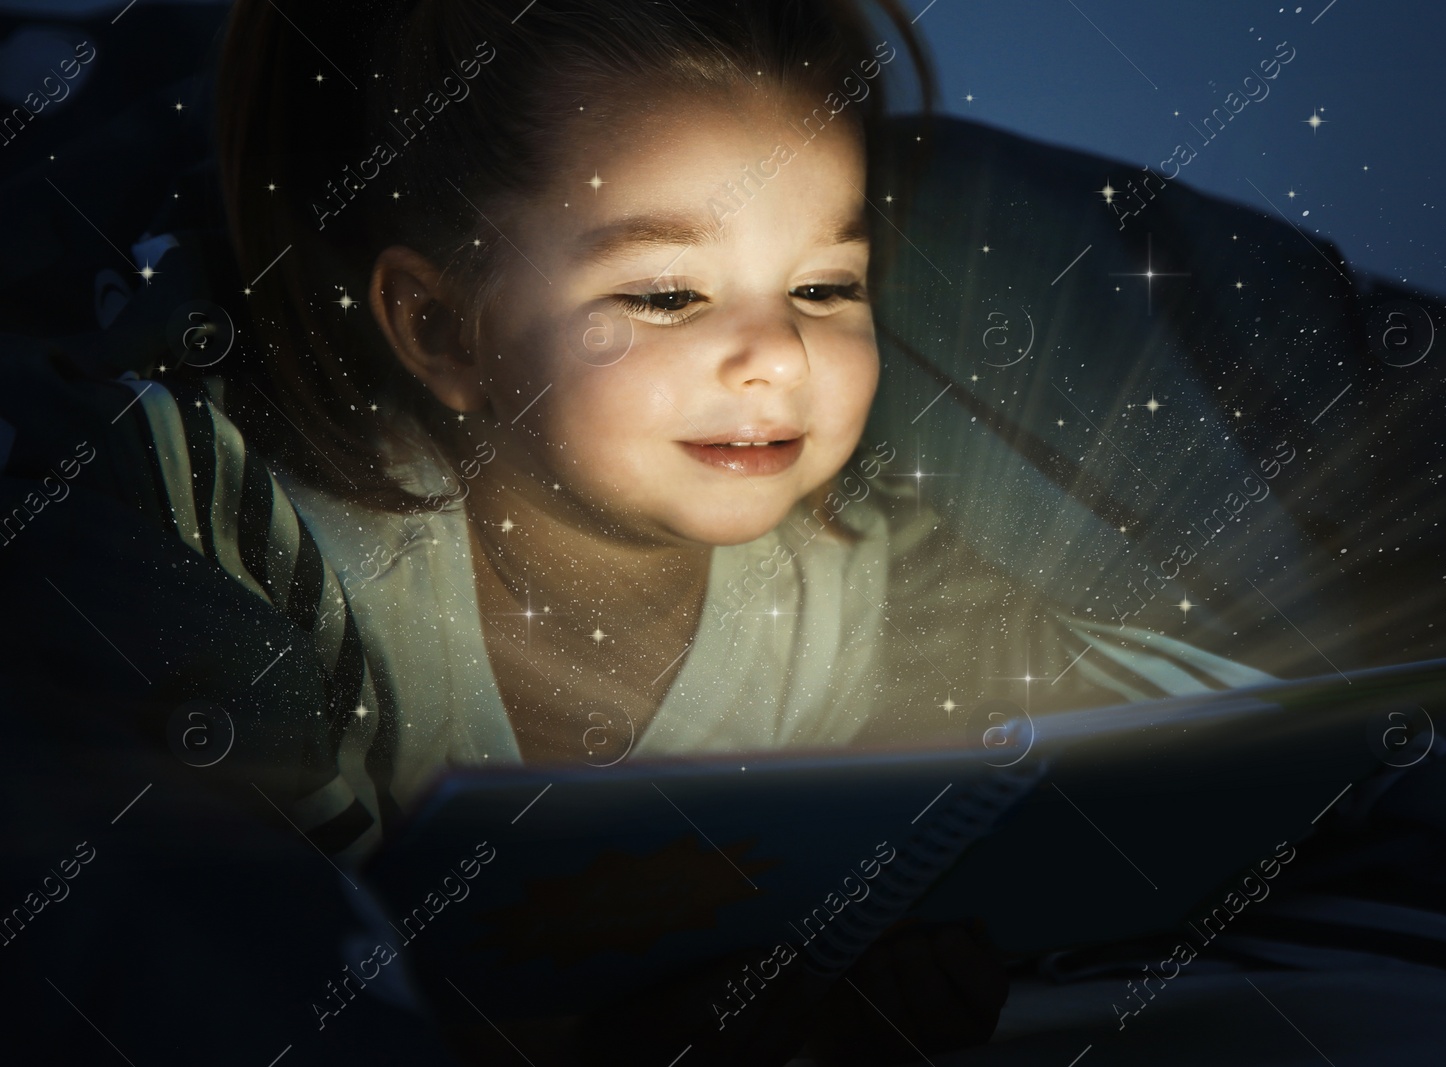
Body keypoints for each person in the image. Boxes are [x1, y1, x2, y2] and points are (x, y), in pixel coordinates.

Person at [108, 0, 1281, 1061]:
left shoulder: (874, 571)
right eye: (666, 294)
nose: (778, 356)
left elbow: (1179, 746)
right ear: (443, 330)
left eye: (826, 288)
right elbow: (248, 964)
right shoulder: (254, 534)